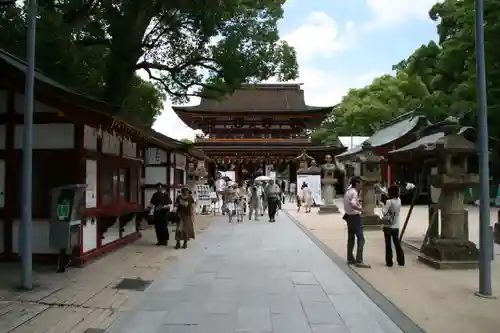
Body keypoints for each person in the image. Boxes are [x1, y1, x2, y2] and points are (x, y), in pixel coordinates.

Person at [343, 177, 370, 268]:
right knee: (361, 238)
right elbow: (353, 203)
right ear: (357, 184)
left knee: (351, 238)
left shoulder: (348, 192)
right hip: (355, 217)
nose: (361, 186)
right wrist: (361, 210)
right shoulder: (354, 193)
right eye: (361, 184)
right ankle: (359, 260)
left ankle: (350, 258)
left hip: (348, 216)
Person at [381, 185, 405, 267]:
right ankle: (401, 260)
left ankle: (389, 262)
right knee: (397, 243)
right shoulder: (399, 200)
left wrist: (382, 204)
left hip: (388, 224)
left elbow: (384, 212)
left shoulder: (389, 201)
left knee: (388, 244)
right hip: (396, 224)